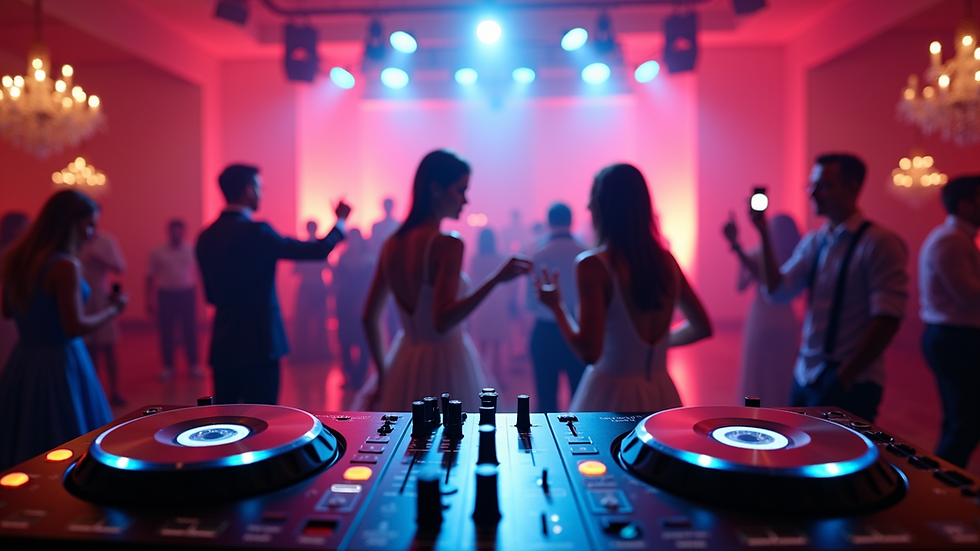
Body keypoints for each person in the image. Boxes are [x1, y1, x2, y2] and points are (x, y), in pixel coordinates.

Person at [359, 150, 532, 411]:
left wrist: (385, 376)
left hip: (404, 360)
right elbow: (442, 320)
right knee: (452, 444)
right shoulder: (447, 244)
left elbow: (369, 317)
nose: (466, 200)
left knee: (409, 445)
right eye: (460, 190)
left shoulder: (391, 244)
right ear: (436, 189)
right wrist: (495, 279)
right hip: (445, 361)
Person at [533, 164, 712, 412]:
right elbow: (702, 327)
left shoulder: (593, 265)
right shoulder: (667, 261)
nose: (587, 207)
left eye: (592, 197)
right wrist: (653, 346)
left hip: (611, 394)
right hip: (661, 391)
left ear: (604, 206)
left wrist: (557, 307)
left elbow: (589, 353)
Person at [751, 153, 908, 423]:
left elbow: (887, 319)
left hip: (853, 380)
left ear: (853, 187)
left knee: (847, 460)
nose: (813, 193)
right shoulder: (815, 242)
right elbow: (778, 292)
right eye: (810, 186)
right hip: (805, 374)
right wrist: (763, 232)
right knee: (798, 453)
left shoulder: (880, 243)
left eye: (823, 186)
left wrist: (844, 377)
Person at [196, 164, 350, 405]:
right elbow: (317, 250)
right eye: (260, 188)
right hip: (259, 344)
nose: (262, 194)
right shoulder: (257, 232)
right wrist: (340, 221)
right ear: (249, 191)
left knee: (224, 422)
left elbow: (211, 296)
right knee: (263, 421)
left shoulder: (206, 236)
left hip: (223, 345)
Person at [0, 190, 126, 470]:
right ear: (69, 223)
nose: (93, 232)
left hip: (25, 360)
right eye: (89, 225)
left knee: (24, 436)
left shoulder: (18, 258)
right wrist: (113, 310)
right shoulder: (64, 265)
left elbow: (7, 311)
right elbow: (73, 327)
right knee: (68, 437)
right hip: (61, 362)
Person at [919, 175, 980, 468]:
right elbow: (967, 295)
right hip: (954, 338)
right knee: (966, 422)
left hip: (953, 336)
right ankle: (946, 485)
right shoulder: (951, 240)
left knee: (961, 418)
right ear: (966, 205)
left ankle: (940, 479)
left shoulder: (956, 238)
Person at [723, 212, 802, 407]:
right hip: (787, 321)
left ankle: (755, 414)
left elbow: (740, 285)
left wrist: (736, 246)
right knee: (783, 374)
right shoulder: (796, 255)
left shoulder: (757, 254)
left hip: (761, 320)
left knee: (757, 374)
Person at [526, 203, 587, 412]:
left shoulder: (537, 254)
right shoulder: (587, 253)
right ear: (571, 221)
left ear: (548, 222)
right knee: (580, 402)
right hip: (578, 329)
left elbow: (531, 302)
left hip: (545, 331)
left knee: (546, 404)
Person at [146, 219, 202, 381]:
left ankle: (193, 364)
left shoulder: (190, 249)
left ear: (183, 232)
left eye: (179, 231)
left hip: (186, 292)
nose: (177, 234)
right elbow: (149, 275)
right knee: (166, 331)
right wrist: (148, 300)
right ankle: (168, 366)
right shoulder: (157, 251)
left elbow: (198, 273)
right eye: (174, 231)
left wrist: (200, 297)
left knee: (190, 330)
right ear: (169, 232)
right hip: (166, 293)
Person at [80, 225, 127, 406]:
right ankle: (94, 391)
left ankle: (114, 390)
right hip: (80, 299)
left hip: (100, 296)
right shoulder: (74, 241)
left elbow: (120, 266)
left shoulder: (106, 240)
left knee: (108, 347)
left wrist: (101, 259)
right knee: (88, 349)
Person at [468, 228, 514, 382]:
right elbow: (508, 284)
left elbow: (473, 281)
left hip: (482, 299)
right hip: (497, 299)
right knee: (496, 342)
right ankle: (497, 377)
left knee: (482, 341)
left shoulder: (475, 259)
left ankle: (482, 377)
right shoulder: (500, 258)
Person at [333, 228, 375, 400]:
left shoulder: (370, 261)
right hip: (344, 303)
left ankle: (360, 377)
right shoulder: (342, 259)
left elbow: (371, 284)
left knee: (362, 340)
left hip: (362, 303)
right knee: (345, 341)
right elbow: (336, 281)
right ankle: (350, 375)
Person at [291, 220, 332, 364]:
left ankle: (311, 354)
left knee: (317, 322)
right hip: (311, 287)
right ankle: (310, 354)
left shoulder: (302, 247)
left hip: (313, 287)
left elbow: (295, 271)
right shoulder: (319, 247)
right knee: (307, 322)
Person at [0, 211, 30, 371]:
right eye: (27, 225)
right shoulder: (12, 254)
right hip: (11, 310)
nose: (31, 229)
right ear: (14, 229)